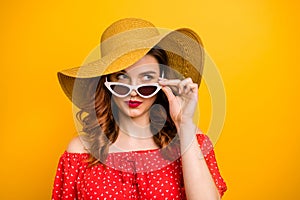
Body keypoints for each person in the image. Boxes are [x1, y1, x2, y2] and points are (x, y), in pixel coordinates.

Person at [52, 18, 227, 199]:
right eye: (122, 77)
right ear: (107, 82)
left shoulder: (189, 139)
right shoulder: (81, 152)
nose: (133, 92)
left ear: (162, 81)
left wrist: (184, 124)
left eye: (146, 78)